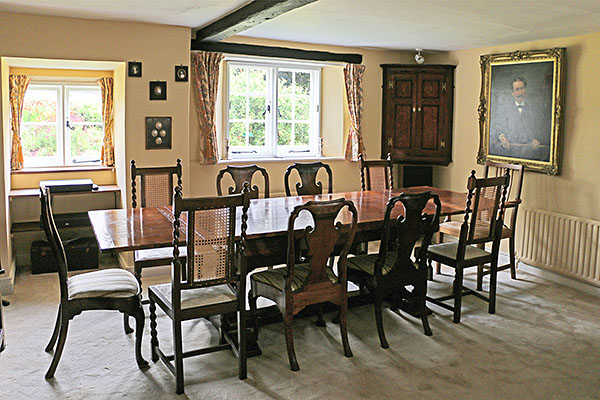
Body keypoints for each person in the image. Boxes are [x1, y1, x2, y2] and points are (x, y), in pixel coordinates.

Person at [490, 77, 551, 161]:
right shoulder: (504, 109)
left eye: (522, 88)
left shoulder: (535, 109)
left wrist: (537, 139)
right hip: (510, 151)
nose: (520, 92)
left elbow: (542, 129)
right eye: (517, 89)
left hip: (530, 152)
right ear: (512, 92)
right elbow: (497, 128)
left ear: (525, 89)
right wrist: (502, 137)